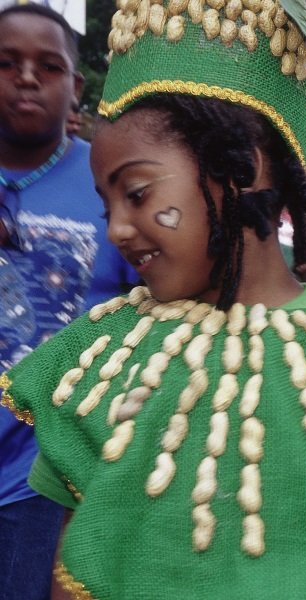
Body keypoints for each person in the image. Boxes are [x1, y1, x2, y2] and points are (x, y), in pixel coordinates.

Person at [0, 2, 306, 598]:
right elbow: (74, 566)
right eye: (107, 206)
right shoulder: (100, 362)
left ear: (242, 169)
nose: (117, 230)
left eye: (137, 193)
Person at [0, 5, 137, 599]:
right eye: (6, 63)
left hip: (47, 487)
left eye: (48, 66)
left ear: (77, 86)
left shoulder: (110, 184)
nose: (27, 77)